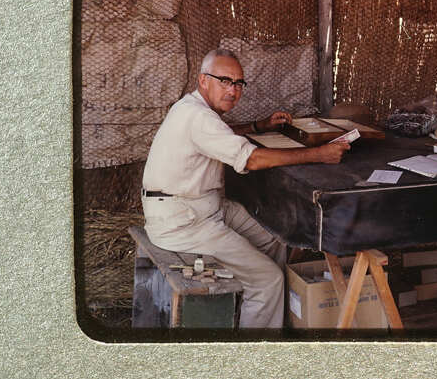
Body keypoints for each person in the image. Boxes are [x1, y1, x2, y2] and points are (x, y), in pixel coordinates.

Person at [141, 47, 349, 329]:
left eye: (238, 83)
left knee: (275, 235)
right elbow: (251, 159)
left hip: (200, 208)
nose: (233, 90)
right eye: (224, 81)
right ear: (203, 80)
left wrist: (259, 126)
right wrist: (318, 154)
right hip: (183, 222)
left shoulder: (194, 108)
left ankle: (264, 311)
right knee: (268, 281)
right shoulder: (197, 116)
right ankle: (256, 338)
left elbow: (220, 135)